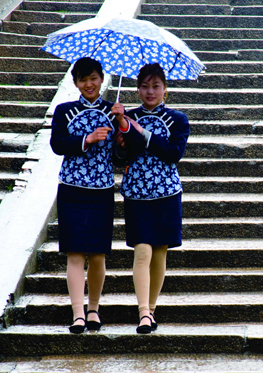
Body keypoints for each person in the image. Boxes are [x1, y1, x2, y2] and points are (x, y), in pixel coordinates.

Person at [111, 63, 189, 334]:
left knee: (159, 253)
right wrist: (121, 137)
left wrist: (140, 132)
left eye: (155, 86)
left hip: (167, 193)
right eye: (144, 86)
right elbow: (118, 158)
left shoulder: (178, 119)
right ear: (137, 89)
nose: (150, 91)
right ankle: (143, 312)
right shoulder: (125, 116)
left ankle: (151, 310)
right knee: (142, 250)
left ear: (165, 89)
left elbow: (172, 153)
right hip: (137, 193)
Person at [50, 57, 122, 333]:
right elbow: (58, 144)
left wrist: (121, 127)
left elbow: (121, 156)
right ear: (75, 82)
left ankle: (94, 309)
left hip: (102, 191)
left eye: (93, 78)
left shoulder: (112, 112)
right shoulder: (64, 111)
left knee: (99, 255)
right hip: (71, 189)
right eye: (83, 79)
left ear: (102, 78)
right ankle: (78, 313)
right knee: (75, 254)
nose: (89, 84)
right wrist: (87, 139)